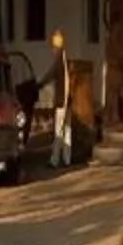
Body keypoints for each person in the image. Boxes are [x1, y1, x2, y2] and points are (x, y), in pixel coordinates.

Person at [47, 32, 74, 169]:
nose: (52, 50)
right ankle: (67, 159)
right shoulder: (64, 60)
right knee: (67, 130)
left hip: (62, 102)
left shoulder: (58, 61)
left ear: (56, 48)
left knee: (59, 131)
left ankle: (55, 160)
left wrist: (38, 85)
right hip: (68, 100)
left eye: (53, 47)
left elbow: (49, 75)